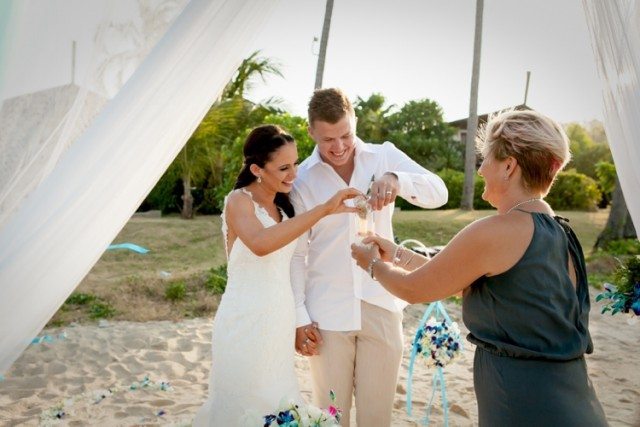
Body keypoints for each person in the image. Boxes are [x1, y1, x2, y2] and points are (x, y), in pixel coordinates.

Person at [351, 109, 608, 426]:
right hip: (574, 402)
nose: (481, 168)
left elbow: (414, 289)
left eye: (486, 158)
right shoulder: (561, 232)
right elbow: (461, 280)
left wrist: (372, 264)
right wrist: (397, 254)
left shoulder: (496, 231)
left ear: (509, 166)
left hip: (524, 407)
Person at [290, 88, 448, 426]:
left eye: (346, 134)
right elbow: (296, 255)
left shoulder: (383, 157)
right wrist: (299, 316)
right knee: (331, 417)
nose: (339, 146)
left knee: (377, 418)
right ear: (311, 132)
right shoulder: (301, 180)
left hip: (382, 303)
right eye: (328, 138)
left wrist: (397, 179)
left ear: (355, 122)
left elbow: (439, 192)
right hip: (326, 314)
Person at [193, 125, 361, 426]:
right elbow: (260, 244)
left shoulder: (287, 205)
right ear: (257, 168)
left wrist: (298, 320)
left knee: (277, 402)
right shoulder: (238, 201)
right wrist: (323, 209)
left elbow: (296, 262)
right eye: (283, 167)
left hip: (279, 320)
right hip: (244, 320)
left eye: (295, 164)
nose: (293, 173)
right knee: (241, 405)